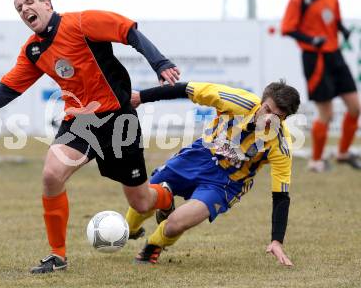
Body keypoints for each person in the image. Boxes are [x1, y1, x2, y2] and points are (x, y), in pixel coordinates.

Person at [0, 0, 180, 273]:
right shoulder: (33, 49)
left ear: (46, 4)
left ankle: (165, 196)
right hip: (81, 121)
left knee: (142, 202)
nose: (24, 9)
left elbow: (129, 31)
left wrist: (160, 62)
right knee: (51, 175)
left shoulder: (81, 23)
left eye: (29, 2)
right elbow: (12, 84)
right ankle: (57, 256)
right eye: (19, 8)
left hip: (119, 120)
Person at [125, 80, 300, 266]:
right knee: (143, 198)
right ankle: (134, 226)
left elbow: (281, 196)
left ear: (284, 119)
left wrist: (276, 241)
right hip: (199, 155)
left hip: (226, 182)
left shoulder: (280, 145)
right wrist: (141, 97)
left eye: (277, 117)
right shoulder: (237, 101)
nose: (268, 119)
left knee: (176, 223)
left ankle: (152, 247)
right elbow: (186, 89)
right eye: (267, 110)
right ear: (261, 102)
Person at [281, 0, 361, 172]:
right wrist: (311, 40)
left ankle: (342, 153)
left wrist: (342, 29)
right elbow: (287, 28)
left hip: (335, 54)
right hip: (314, 58)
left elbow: (335, 19)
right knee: (327, 112)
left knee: (355, 106)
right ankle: (315, 161)